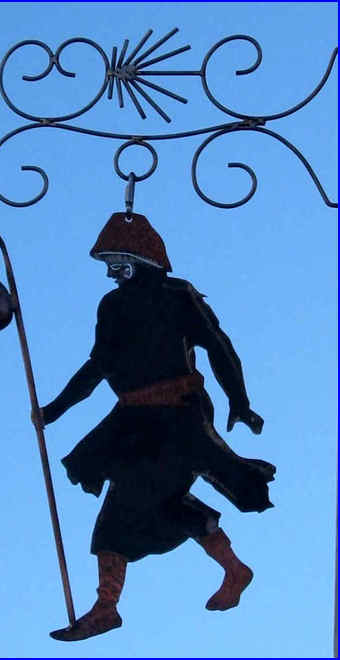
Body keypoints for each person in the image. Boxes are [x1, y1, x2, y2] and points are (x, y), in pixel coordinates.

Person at [39, 212, 275, 642]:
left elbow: (218, 346)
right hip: (134, 422)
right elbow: (98, 366)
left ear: (138, 261)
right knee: (163, 505)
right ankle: (234, 569)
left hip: (179, 419)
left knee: (123, 510)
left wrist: (239, 401)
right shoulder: (112, 306)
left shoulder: (177, 296)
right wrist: (55, 409)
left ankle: (107, 608)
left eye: (117, 264)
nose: (111, 274)